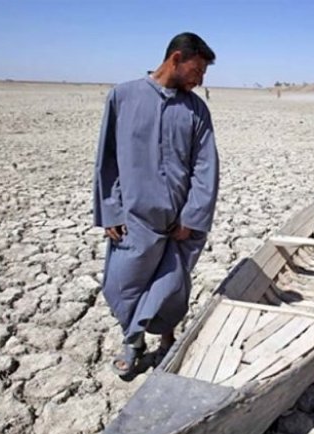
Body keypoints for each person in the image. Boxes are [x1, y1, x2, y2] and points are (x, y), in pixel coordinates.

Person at [93, 32, 219, 377]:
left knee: (171, 287)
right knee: (124, 283)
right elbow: (108, 159)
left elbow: (205, 167)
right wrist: (110, 210)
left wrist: (192, 217)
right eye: (197, 70)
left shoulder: (196, 110)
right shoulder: (123, 96)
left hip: (179, 222)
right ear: (176, 59)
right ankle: (133, 342)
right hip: (134, 218)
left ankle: (167, 341)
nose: (200, 79)